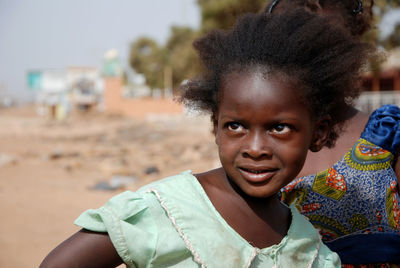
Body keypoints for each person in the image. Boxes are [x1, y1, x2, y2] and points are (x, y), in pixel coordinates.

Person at [40, 9, 373, 267]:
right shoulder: (167, 210)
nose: (255, 148)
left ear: (319, 133)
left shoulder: (312, 250)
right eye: (236, 126)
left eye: (279, 128)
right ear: (215, 126)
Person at [265, 0, 400, 265]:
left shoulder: (387, 135)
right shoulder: (255, 143)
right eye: (296, 45)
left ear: (353, 49)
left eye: (328, 48)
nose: (314, 62)